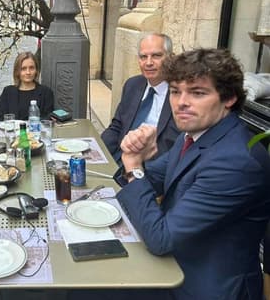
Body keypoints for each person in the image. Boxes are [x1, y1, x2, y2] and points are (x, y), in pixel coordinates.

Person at [116, 48, 270, 299]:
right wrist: (139, 157)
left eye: (197, 92)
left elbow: (160, 238)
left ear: (228, 97)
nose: (181, 102)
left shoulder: (236, 162)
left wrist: (134, 166)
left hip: (201, 286)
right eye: (175, 91)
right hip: (173, 265)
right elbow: (153, 179)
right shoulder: (195, 134)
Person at [101, 33, 179, 163]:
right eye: (143, 57)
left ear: (171, 58)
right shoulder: (133, 85)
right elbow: (117, 126)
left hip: (154, 166)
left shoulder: (180, 94)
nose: (148, 63)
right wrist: (98, 153)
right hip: (119, 158)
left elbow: (173, 145)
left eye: (156, 56)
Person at [0, 51, 54, 121]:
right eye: (23, 69)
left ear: (36, 70)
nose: (28, 72)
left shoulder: (46, 92)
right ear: (17, 71)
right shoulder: (8, 92)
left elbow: (48, 120)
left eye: (31, 68)